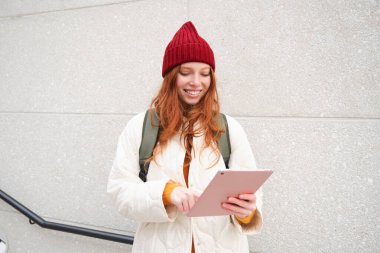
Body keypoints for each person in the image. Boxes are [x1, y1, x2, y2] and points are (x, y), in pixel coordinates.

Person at [107, 21, 263, 253]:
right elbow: (120, 192)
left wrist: (247, 212)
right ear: (171, 76)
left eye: (204, 74)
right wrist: (166, 193)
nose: (196, 82)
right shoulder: (142, 126)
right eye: (185, 73)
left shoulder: (229, 128)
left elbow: (251, 195)